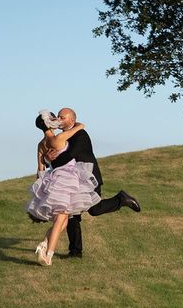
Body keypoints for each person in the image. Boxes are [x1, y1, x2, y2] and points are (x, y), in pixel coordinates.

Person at [42, 107, 141, 259]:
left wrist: (51, 159)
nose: (59, 120)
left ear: (72, 120)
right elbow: (55, 159)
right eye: (58, 117)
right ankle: (75, 253)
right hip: (72, 181)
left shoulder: (80, 135)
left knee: (95, 209)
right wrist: (47, 159)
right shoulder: (63, 136)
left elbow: (69, 157)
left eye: (62, 117)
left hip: (89, 178)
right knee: (71, 215)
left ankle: (122, 199)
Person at [26, 111, 102, 266]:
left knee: (64, 222)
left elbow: (41, 168)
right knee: (61, 218)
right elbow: (78, 128)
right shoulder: (59, 138)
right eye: (55, 118)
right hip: (66, 180)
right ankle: (48, 255)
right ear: (49, 123)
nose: (58, 120)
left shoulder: (41, 145)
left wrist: (41, 189)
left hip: (53, 180)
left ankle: (45, 244)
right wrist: (77, 124)